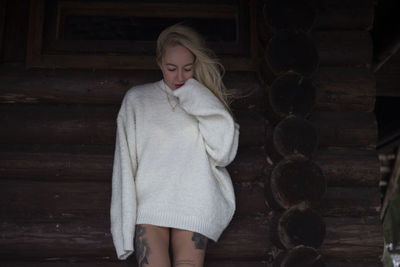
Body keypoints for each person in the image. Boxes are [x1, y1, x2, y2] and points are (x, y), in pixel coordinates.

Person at [110, 24, 240, 267]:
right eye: (172, 68)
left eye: (187, 69)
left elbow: (224, 153)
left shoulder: (204, 100)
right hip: (150, 204)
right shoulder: (137, 99)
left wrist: (197, 95)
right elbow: (125, 165)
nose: (179, 77)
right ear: (159, 62)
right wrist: (123, 225)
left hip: (194, 203)